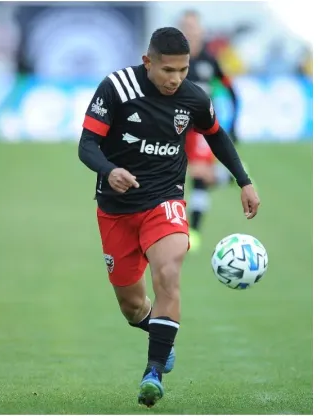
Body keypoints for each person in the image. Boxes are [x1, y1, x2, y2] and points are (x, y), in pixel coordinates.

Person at [78, 27, 260, 407]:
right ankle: (157, 331)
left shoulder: (193, 97)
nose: (176, 79)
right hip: (115, 209)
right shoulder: (116, 88)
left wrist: (244, 180)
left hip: (165, 200)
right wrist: (110, 170)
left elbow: (216, 135)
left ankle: (153, 371)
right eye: (168, 71)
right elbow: (87, 145)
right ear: (148, 62)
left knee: (168, 270)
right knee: (131, 306)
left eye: (183, 70)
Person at [178, 9, 242, 251]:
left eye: (193, 26)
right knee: (178, 173)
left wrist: (234, 124)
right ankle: (232, 175)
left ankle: (193, 231)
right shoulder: (174, 58)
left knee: (199, 175)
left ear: (200, 30)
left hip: (202, 128)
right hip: (177, 128)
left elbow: (232, 91)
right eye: (185, 26)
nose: (190, 31)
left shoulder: (209, 60)